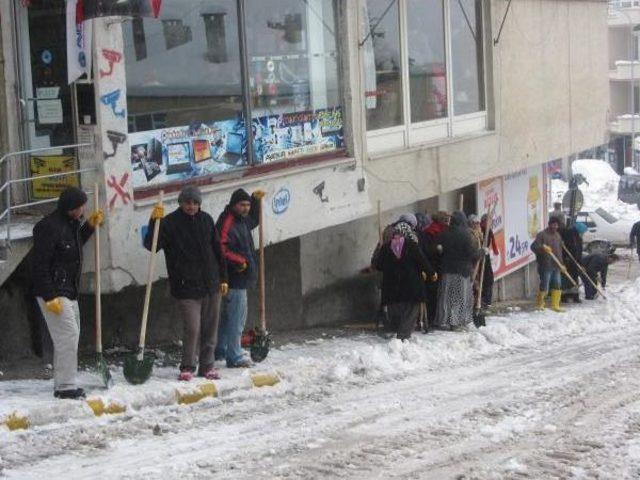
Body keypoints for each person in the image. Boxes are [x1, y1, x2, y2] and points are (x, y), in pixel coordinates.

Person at [144, 186, 228, 381]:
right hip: (185, 285)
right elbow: (152, 245)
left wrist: (224, 278)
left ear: (199, 204)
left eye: (195, 203)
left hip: (210, 283)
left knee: (210, 327)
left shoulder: (206, 220)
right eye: (187, 203)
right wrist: (154, 221)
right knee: (192, 328)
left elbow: (218, 250)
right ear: (180, 203)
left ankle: (207, 366)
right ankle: (188, 365)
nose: (191, 206)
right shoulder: (169, 223)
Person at [32, 186, 104, 399]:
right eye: (81, 206)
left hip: (69, 289)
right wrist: (49, 296)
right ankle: (65, 387)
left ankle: (64, 382)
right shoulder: (48, 227)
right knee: (67, 336)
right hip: (53, 290)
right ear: (72, 207)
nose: (84, 209)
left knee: (71, 336)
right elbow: (40, 265)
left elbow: (72, 246)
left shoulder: (71, 224)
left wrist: (89, 227)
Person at [215, 188, 265, 368]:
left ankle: (221, 350)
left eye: (247, 205)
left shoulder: (241, 220)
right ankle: (234, 355)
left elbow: (252, 220)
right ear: (233, 205)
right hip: (234, 276)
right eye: (242, 205)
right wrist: (240, 261)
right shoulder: (228, 220)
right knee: (237, 318)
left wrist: (256, 202)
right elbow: (221, 247)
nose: (245, 208)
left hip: (239, 276)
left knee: (228, 317)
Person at [375, 221, 435, 340]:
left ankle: (397, 332)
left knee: (397, 310)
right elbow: (422, 261)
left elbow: (378, 265)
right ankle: (403, 336)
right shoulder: (411, 245)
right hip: (411, 285)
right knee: (411, 311)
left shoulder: (386, 247)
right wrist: (431, 273)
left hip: (392, 286)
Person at [435, 211, 483, 330]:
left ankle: (444, 321)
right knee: (459, 297)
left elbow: (438, 249)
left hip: (447, 271)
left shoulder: (444, 233)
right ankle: (455, 322)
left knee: (447, 297)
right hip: (462, 272)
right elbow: (471, 254)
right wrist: (482, 252)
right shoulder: (466, 235)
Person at [420, 211, 449, 331]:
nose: (448, 223)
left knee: (431, 293)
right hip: (436, 267)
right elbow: (432, 251)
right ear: (441, 221)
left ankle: (430, 318)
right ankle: (432, 319)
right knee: (435, 294)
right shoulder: (440, 232)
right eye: (446, 220)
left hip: (427, 267)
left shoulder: (426, 232)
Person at [531, 217, 567, 312]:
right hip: (545, 264)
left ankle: (555, 305)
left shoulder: (558, 236)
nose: (555, 227)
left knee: (557, 284)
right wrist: (542, 249)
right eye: (553, 224)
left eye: (557, 225)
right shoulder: (542, 235)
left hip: (556, 265)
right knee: (545, 285)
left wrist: (562, 264)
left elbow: (559, 251)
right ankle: (540, 304)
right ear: (549, 224)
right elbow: (533, 247)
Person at [560, 222, 586, 303]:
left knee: (574, 278)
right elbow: (565, 248)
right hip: (567, 260)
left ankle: (575, 296)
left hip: (575, 261)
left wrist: (580, 263)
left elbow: (579, 251)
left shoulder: (579, 238)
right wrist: (566, 258)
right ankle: (564, 296)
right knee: (566, 279)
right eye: (583, 231)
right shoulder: (569, 234)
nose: (583, 233)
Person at [479, 214, 499, 308]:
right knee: (483, 278)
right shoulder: (480, 230)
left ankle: (487, 300)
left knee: (489, 278)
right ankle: (482, 299)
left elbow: (493, 241)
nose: (489, 223)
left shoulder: (489, 230)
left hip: (486, 255)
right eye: (488, 221)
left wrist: (495, 250)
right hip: (480, 256)